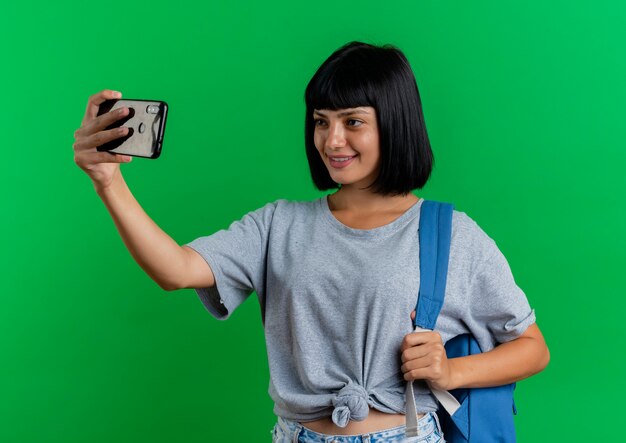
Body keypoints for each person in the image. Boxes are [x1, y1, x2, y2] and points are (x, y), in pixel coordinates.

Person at [73, 41, 550, 443]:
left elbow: (532, 347)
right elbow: (174, 270)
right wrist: (108, 182)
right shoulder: (280, 224)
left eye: (353, 121)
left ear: (395, 121)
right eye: (321, 121)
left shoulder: (449, 233)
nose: (332, 140)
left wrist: (451, 373)